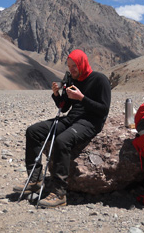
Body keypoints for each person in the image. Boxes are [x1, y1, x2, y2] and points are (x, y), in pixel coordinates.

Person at [13, 49, 111, 208]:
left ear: (82, 64)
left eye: (74, 66)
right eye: (69, 66)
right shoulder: (74, 80)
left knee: (61, 141)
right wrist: (57, 95)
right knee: (33, 131)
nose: (71, 69)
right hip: (71, 118)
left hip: (91, 121)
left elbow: (103, 109)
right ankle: (35, 180)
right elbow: (64, 107)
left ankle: (59, 193)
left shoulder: (100, 80)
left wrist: (82, 98)